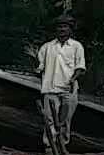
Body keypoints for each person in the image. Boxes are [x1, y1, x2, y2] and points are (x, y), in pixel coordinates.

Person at [36, 15, 87, 145]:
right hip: (51, 88)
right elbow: (40, 65)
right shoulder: (47, 47)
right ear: (56, 29)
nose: (62, 29)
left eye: (65, 27)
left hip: (68, 89)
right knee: (49, 119)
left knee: (65, 120)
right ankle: (49, 145)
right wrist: (39, 70)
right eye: (60, 27)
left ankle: (63, 145)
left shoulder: (76, 46)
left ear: (70, 30)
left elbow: (80, 67)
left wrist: (72, 80)